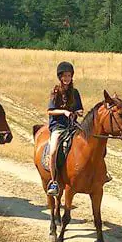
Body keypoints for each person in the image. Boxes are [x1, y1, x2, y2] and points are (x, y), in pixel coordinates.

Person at [45, 61, 83, 196]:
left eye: (69, 75)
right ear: (60, 77)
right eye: (65, 76)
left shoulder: (75, 92)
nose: (67, 78)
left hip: (72, 126)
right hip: (58, 126)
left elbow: (80, 108)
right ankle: (54, 181)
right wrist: (64, 112)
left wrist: (78, 112)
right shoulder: (55, 91)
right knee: (54, 149)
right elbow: (50, 111)